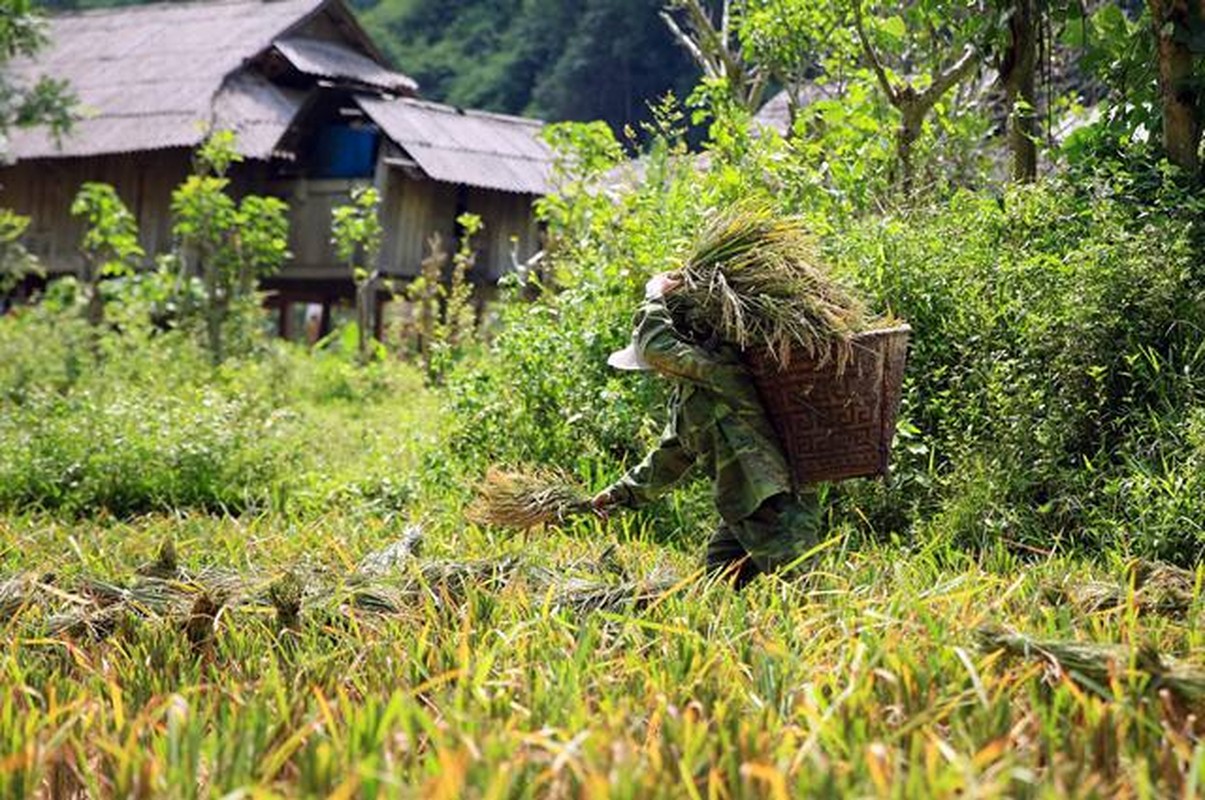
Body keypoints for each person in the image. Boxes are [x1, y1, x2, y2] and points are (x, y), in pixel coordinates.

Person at [592, 272, 823, 588]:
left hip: (775, 505)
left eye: (656, 365)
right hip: (743, 507)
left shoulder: (716, 369)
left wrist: (654, 295)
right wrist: (620, 494)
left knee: (806, 593)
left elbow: (657, 346)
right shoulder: (691, 395)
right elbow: (669, 457)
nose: (658, 371)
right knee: (711, 589)